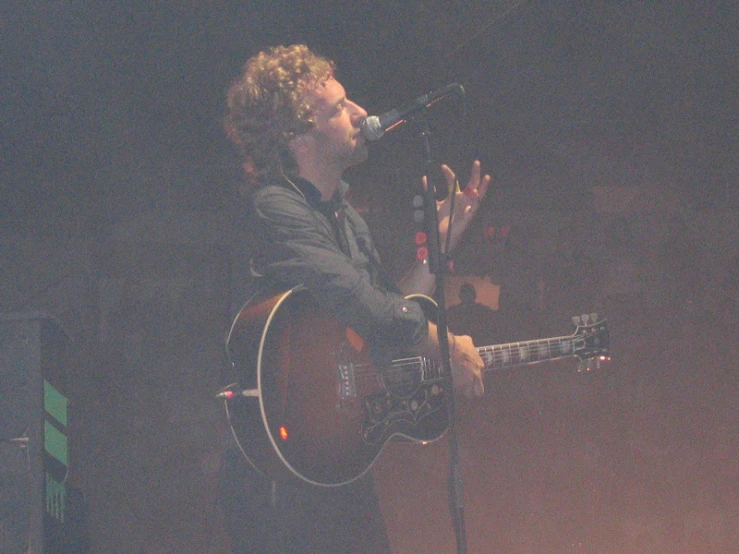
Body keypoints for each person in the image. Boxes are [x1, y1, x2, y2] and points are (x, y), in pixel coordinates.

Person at [221, 44, 490, 553]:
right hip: (279, 477)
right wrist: (447, 344)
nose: (361, 114)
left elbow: (388, 316)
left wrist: (439, 246)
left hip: (337, 462)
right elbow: (363, 304)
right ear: (298, 134)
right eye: (339, 107)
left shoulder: (345, 218)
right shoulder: (275, 210)